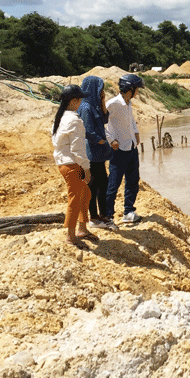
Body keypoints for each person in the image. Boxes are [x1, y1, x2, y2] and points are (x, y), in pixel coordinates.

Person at [51, 84, 98, 248]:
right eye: (79, 100)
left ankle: (82, 229)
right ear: (73, 101)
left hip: (64, 162)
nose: (80, 103)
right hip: (72, 164)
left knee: (85, 194)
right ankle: (71, 236)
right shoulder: (75, 120)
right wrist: (86, 168)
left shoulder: (60, 117)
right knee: (75, 199)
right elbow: (78, 148)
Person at [78, 76, 116, 231]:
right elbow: (88, 131)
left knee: (103, 183)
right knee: (93, 185)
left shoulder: (94, 105)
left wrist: (102, 103)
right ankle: (93, 218)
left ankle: (102, 215)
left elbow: (105, 118)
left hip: (98, 152)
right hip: (92, 152)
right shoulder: (85, 107)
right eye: (100, 89)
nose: (102, 92)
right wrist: (100, 140)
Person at [105, 74, 144, 224]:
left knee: (133, 181)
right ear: (130, 89)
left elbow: (131, 120)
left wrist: (136, 133)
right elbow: (102, 123)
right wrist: (111, 140)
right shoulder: (113, 103)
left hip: (131, 147)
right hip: (118, 149)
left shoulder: (128, 103)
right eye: (137, 89)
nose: (138, 92)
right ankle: (108, 216)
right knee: (113, 183)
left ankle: (128, 211)